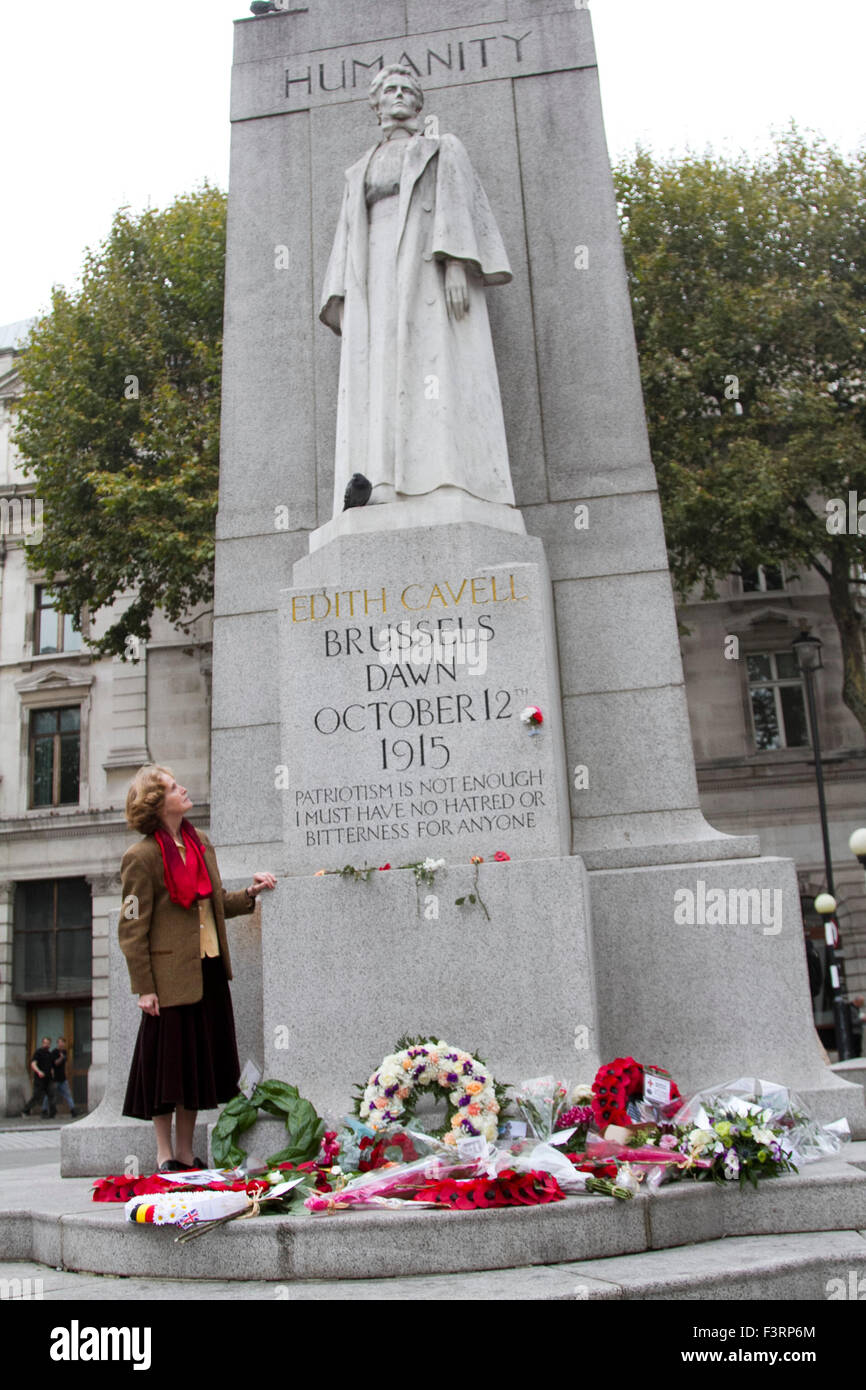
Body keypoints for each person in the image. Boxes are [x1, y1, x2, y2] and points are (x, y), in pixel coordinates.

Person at [320, 64, 516, 515]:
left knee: (432, 369)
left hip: (424, 269)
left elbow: (456, 206)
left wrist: (455, 266)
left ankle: (443, 479)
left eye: (409, 89)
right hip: (372, 277)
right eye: (391, 89)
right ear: (377, 104)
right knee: (380, 375)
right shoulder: (358, 170)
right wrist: (342, 299)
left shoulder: (442, 148)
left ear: (420, 103)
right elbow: (348, 235)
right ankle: (380, 480)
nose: (400, 95)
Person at [118, 764, 276, 1171]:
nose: (183, 789)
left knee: (193, 1068)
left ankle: (186, 1152)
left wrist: (251, 894)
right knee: (166, 1069)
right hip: (167, 981)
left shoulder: (200, 843)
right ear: (157, 803)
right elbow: (133, 929)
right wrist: (144, 988)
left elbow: (216, 901)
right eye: (173, 787)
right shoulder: (142, 857)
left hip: (206, 970)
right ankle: (163, 1153)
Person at [42, 1037, 77, 1118]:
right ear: (58, 1043)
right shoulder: (54, 1052)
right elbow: (55, 1063)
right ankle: (45, 1110)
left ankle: (73, 1110)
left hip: (62, 1078)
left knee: (67, 1094)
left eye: (63, 1043)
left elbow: (65, 1064)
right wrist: (61, 1058)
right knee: (49, 1095)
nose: (61, 1044)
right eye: (60, 1042)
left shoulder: (64, 1052)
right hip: (55, 1079)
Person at [21, 1036, 55, 1117]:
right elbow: (33, 1064)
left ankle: (51, 1113)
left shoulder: (49, 1054)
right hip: (39, 1079)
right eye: (45, 1043)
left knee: (51, 1095)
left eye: (48, 1043)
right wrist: (39, 1071)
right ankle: (26, 1110)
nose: (46, 1045)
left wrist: (52, 1074)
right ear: (42, 1043)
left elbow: (51, 1066)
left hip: (48, 1078)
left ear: (50, 1044)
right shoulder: (38, 1052)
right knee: (37, 1096)